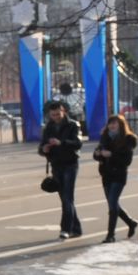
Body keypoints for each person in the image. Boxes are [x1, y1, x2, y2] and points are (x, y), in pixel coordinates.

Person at [39, 100, 83, 239]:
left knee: (67, 197)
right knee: (64, 197)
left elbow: (78, 143)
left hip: (70, 164)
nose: (56, 117)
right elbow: (41, 147)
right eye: (53, 115)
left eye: (58, 114)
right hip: (56, 165)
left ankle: (65, 229)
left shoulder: (72, 125)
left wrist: (61, 143)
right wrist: (44, 149)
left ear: (64, 111)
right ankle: (76, 228)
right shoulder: (48, 127)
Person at [92, 114, 138, 243]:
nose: (111, 126)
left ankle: (110, 235)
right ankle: (130, 222)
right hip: (106, 174)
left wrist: (111, 155)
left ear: (121, 125)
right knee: (113, 203)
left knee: (112, 203)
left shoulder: (128, 139)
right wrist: (98, 155)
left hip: (119, 174)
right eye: (110, 123)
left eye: (114, 123)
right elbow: (97, 155)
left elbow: (127, 160)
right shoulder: (105, 137)